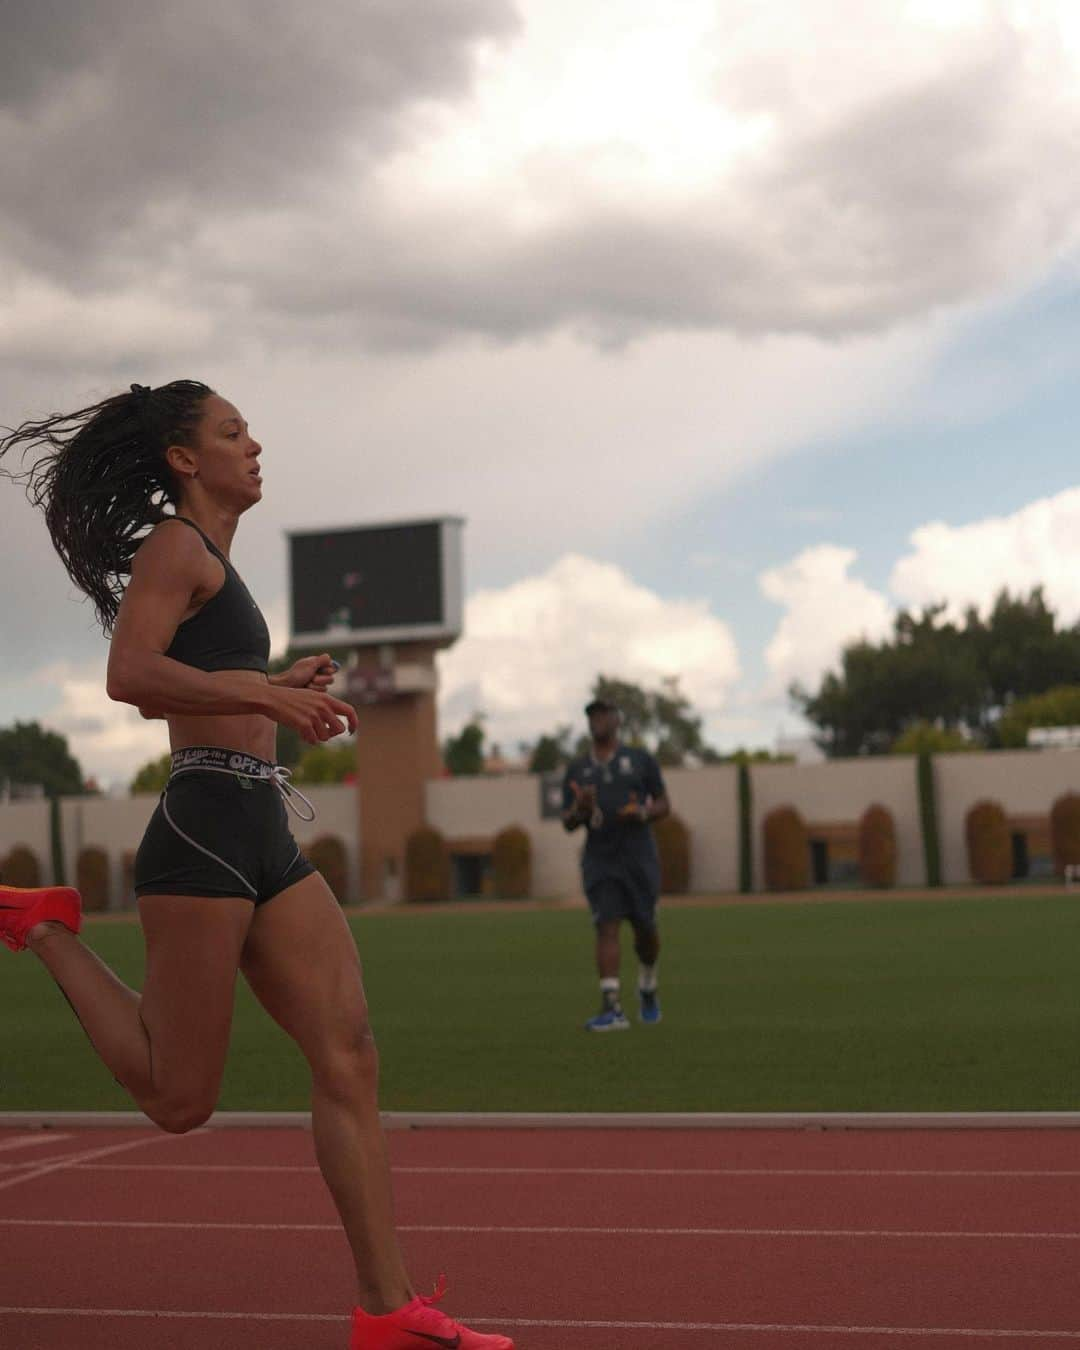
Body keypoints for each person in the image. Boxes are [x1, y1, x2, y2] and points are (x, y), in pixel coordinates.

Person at [0, 381, 513, 1350]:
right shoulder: (173, 547)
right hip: (200, 828)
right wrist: (268, 700)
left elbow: (203, 686)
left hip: (262, 827)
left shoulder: (218, 566)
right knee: (179, 1098)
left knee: (349, 1055)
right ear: (185, 460)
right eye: (232, 432)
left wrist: (272, 690)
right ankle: (47, 929)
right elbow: (130, 675)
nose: (255, 443)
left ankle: (386, 1309)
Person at [562, 697, 670, 1030]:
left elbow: (664, 804)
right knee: (605, 926)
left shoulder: (639, 760)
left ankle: (648, 985)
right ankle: (612, 1008)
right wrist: (580, 809)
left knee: (645, 929)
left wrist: (641, 812)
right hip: (600, 858)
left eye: (603, 714)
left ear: (617, 720)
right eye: (591, 715)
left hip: (637, 857)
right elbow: (568, 823)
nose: (597, 720)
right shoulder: (578, 769)